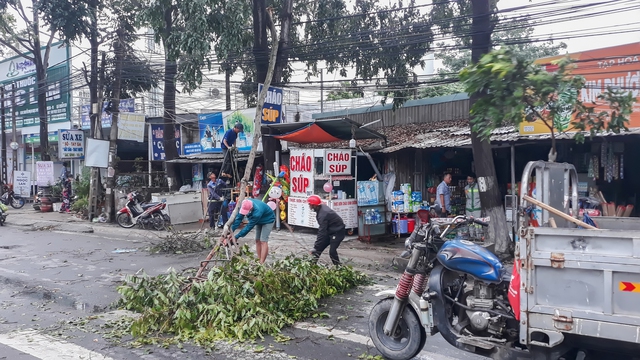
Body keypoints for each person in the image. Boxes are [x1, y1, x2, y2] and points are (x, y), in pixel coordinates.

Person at [231, 198, 275, 264]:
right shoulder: (245, 203)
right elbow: (238, 219)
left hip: (268, 220)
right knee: (257, 240)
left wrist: (237, 236)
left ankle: (261, 262)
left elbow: (249, 227)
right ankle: (259, 259)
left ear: (251, 208)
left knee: (263, 240)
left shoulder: (257, 212)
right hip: (259, 221)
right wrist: (231, 232)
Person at [307, 194, 346, 266]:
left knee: (332, 252)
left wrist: (316, 245)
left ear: (314, 205)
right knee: (317, 250)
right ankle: (311, 266)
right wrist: (316, 247)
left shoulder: (323, 214)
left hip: (338, 232)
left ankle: (339, 268)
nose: (309, 206)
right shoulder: (320, 209)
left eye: (310, 205)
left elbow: (322, 231)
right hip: (329, 231)